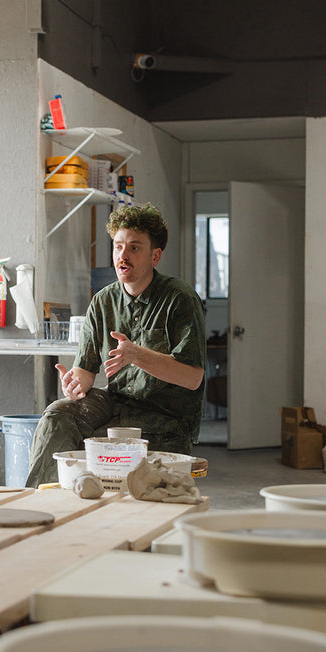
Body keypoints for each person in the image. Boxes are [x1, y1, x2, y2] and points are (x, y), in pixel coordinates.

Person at [25, 203, 206, 487]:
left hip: (165, 415)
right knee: (57, 414)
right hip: (115, 403)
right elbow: (85, 370)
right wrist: (75, 383)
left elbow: (193, 378)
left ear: (155, 255)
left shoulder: (179, 299)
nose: (123, 255)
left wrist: (137, 355)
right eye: (118, 246)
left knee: (121, 451)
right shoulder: (102, 301)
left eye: (134, 247)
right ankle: (46, 502)